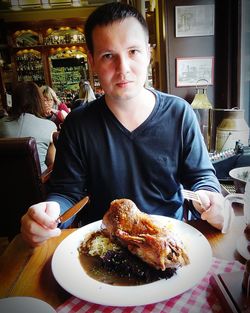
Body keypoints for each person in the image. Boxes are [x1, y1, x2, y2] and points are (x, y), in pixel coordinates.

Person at [21, 2, 229, 247]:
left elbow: (201, 176)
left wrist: (210, 198)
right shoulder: (78, 123)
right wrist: (50, 212)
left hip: (168, 239)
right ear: (93, 61)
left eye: (133, 51)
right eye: (108, 55)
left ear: (148, 54)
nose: (123, 68)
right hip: (103, 242)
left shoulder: (179, 113)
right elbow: (68, 192)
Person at [0, 81, 57, 173]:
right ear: (38, 101)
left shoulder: (1, 124)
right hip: (40, 183)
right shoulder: (50, 126)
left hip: (5, 184)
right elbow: (51, 162)